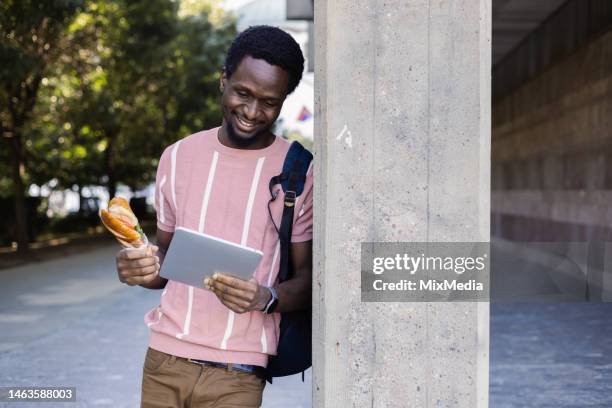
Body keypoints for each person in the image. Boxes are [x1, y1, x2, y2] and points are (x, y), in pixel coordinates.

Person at [114, 25, 312, 408]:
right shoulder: (176, 157)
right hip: (163, 362)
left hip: (239, 373)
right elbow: (165, 265)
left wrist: (265, 297)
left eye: (269, 102)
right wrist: (135, 269)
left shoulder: (299, 171)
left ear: (284, 100)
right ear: (223, 82)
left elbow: (309, 281)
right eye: (243, 93)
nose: (253, 112)